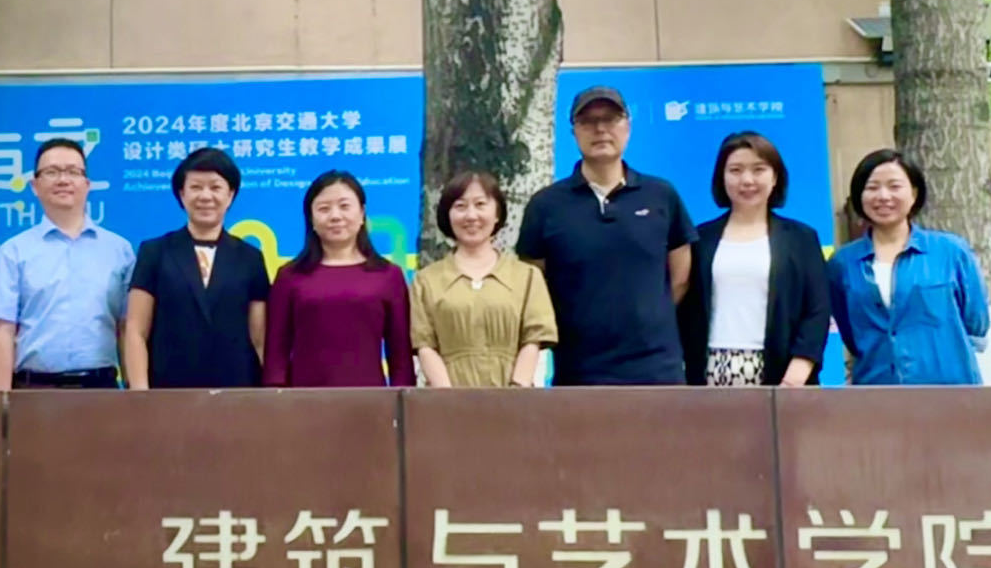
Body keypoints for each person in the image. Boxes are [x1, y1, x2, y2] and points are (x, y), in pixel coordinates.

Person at [516, 85, 696, 384]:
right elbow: (534, 284)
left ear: (628, 126)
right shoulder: (546, 205)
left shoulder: (661, 195)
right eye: (588, 121)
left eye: (610, 119)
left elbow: (680, 278)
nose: (600, 129)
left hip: (657, 369)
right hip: (579, 371)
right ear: (573, 132)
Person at [678, 132, 831, 386]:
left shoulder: (801, 238)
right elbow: (684, 308)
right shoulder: (700, 239)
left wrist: (797, 374)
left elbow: (817, 310)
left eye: (758, 170)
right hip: (709, 372)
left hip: (784, 376)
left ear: (775, 177)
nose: (747, 180)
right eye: (735, 170)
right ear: (722, 178)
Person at [826, 148, 989, 385]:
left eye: (894, 186)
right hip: (876, 388)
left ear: (914, 193)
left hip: (950, 389)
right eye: (872, 187)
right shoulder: (843, 263)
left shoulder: (951, 251)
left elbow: (976, 323)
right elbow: (850, 332)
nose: (883, 196)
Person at [0, 138, 135, 389]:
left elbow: (127, 328)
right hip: (35, 389)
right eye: (52, 172)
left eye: (73, 172)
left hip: (100, 388)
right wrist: (2, 400)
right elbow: (3, 332)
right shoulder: (13, 251)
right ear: (35, 186)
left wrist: (134, 392)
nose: (63, 180)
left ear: (87, 184)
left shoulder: (119, 250)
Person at [123, 148, 270, 388]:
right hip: (168, 392)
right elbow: (136, 330)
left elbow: (259, 337)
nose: (205, 196)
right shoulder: (155, 252)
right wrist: (141, 393)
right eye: (196, 187)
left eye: (215, 187)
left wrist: (270, 393)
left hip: (237, 392)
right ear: (182, 194)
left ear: (230, 194)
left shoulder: (251, 258)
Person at [263, 170, 414, 388]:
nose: (335, 216)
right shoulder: (290, 276)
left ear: (362, 214)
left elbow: (400, 356)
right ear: (311, 218)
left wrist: (403, 399)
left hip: (370, 400)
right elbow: (276, 354)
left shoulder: (389, 276)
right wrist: (276, 396)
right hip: (304, 400)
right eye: (324, 209)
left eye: (344, 206)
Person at [411, 172, 556, 388]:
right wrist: (448, 398)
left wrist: (516, 390)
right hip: (447, 401)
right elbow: (425, 345)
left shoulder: (527, 277)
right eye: (460, 206)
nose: (471, 215)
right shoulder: (426, 281)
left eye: (480, 204)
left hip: (515, 400)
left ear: (497, 213)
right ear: (447, 215)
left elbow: (533, 339)